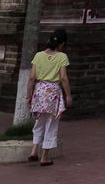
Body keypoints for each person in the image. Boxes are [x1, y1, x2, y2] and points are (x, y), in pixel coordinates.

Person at [27, 29, 72, 167]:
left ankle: (34, 151)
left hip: (39, 91)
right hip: (53, 92)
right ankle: (44, 157)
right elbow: (63, 77)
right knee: (51, 124)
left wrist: (28, 95)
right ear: (62, 44)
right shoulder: (62, 57)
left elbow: (31, 77)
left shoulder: (38, 55)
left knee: (39, 122)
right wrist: (68, 95)